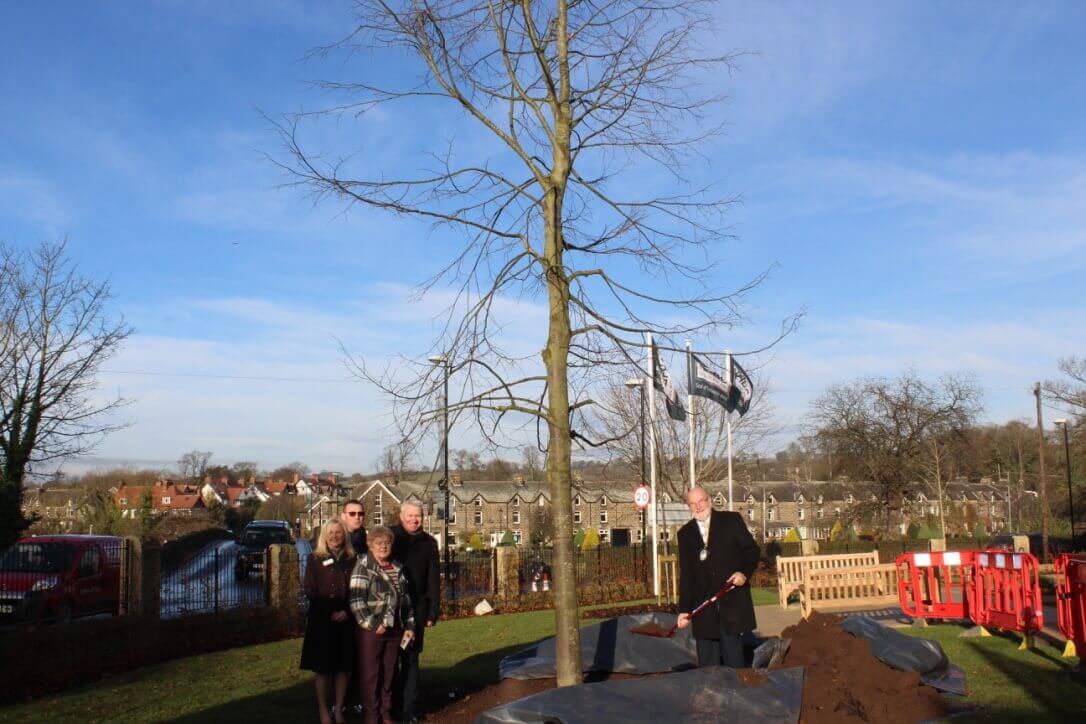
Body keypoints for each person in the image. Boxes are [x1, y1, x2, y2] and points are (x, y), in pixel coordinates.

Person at [675, 486, 760, 668]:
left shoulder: (731, 520)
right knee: (708, 666)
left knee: (734, 663)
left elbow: (751, 551)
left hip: (731, 604)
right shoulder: (684, 534)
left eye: (701, 501)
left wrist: (743, 572)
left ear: (710, 500)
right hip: (703, 609)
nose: (698, 506)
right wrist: (684, 609)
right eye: (693, 503)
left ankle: (736, 686)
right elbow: (687, 574)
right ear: (689, 507)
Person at [350, 525, 415, 724]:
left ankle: (385, 712)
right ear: (371, 545)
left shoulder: (397, 566)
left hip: (395, 628)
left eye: (387, 543)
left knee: (389, 672)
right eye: (379, 543)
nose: (383, 546)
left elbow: (405, 599)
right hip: (372, 630)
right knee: (371, 674)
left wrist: (410, 626)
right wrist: (373, 624)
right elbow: (356, 600)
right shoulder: (364, 566)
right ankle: (371, 715)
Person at [300, 520, 357, 724]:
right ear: (324, 535)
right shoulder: (315, 558)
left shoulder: (353, 559)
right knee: (323, 669)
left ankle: (339, 709)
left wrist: (347, 611)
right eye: (330, 532)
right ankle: (323, 711)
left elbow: (359, 589)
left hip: (346, 619)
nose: (334, 536)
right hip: (321, 621)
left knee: (343, 668)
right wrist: (330, 612)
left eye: (338, 532)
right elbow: (310, 589)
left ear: (344, 535)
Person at [391, 502, 441, 723]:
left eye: (418, 516)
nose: (414, 519)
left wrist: (432, 611)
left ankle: (408, 709)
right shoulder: (390, 537)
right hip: (391, 609)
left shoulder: (429, 543)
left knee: (410, 659)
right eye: (410, 515)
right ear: (401, 516)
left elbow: (433, 579)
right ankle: (389, 706)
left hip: (417, 609)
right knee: (390, 660)